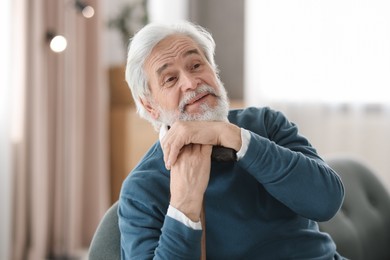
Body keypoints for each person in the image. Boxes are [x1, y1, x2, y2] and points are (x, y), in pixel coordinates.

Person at [118, 21, 345, 259]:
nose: (191, 82)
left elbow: (327, 201)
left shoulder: (266, 123)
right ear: (150, 106)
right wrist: (184, 203)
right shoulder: (141, 189)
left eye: (196, 65)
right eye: (171, 79)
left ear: (213, 70)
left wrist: (234, 138)